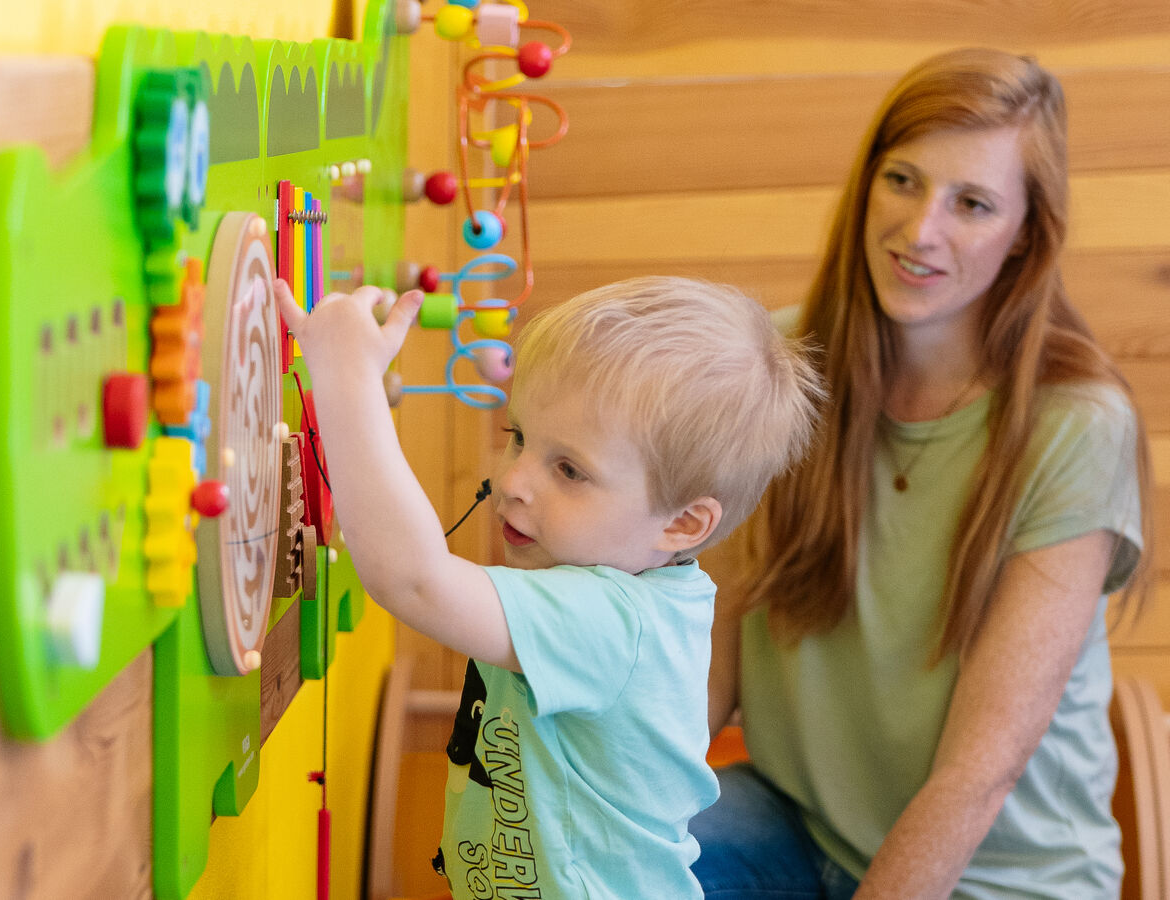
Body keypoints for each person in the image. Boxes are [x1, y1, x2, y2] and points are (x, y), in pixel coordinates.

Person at [690, 47, 1156, 899]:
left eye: (972, 203)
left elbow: (977, 777)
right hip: (799, 827)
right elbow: (716, 639)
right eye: (904, 180)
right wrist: (614, 821)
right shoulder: (785, 362)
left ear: (1025, 235)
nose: (921, 230)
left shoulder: (1077, 425)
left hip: (1000, 878)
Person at [275, 275, 823, 898]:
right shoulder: (635, 590)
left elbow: (414, 581)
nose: (514, 481)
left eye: (569, 470)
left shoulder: (613, 620)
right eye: (518, 437)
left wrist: (347, 380)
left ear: (682, 523)